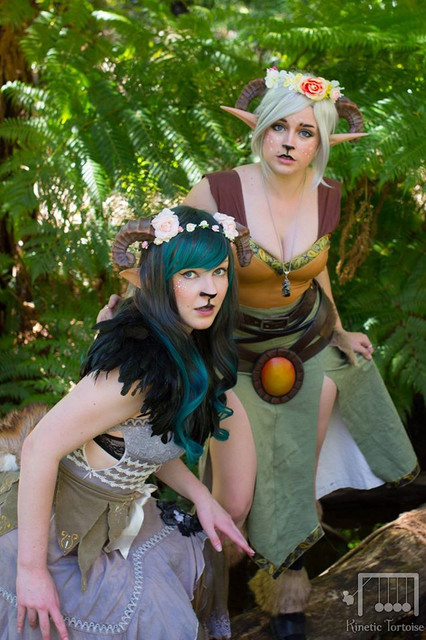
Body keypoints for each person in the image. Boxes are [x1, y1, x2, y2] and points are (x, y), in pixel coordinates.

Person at [98, 69, 419, 640]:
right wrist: (125, 321)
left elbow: (316, 276)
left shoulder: (327, 196)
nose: (289, 142)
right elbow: (167, 263)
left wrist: (340, 329)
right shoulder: (217, 191)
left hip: (309, 350)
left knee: (297, 481)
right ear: (259, 130)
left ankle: (288, 599)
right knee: (235, 500)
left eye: (305, 132)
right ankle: (194, 609)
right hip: (234, 358)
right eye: (278, 128)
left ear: (322, 141)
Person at [0, 205, 257, 640]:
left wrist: (202, 496)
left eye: (219, 272)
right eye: (189, 274)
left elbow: (144, 443)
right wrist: (30, 571)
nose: (210, 289)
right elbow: (38, 448)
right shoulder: (132, 374)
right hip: (58, 532)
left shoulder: (181, 349)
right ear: (157, 280)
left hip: (116, 517)